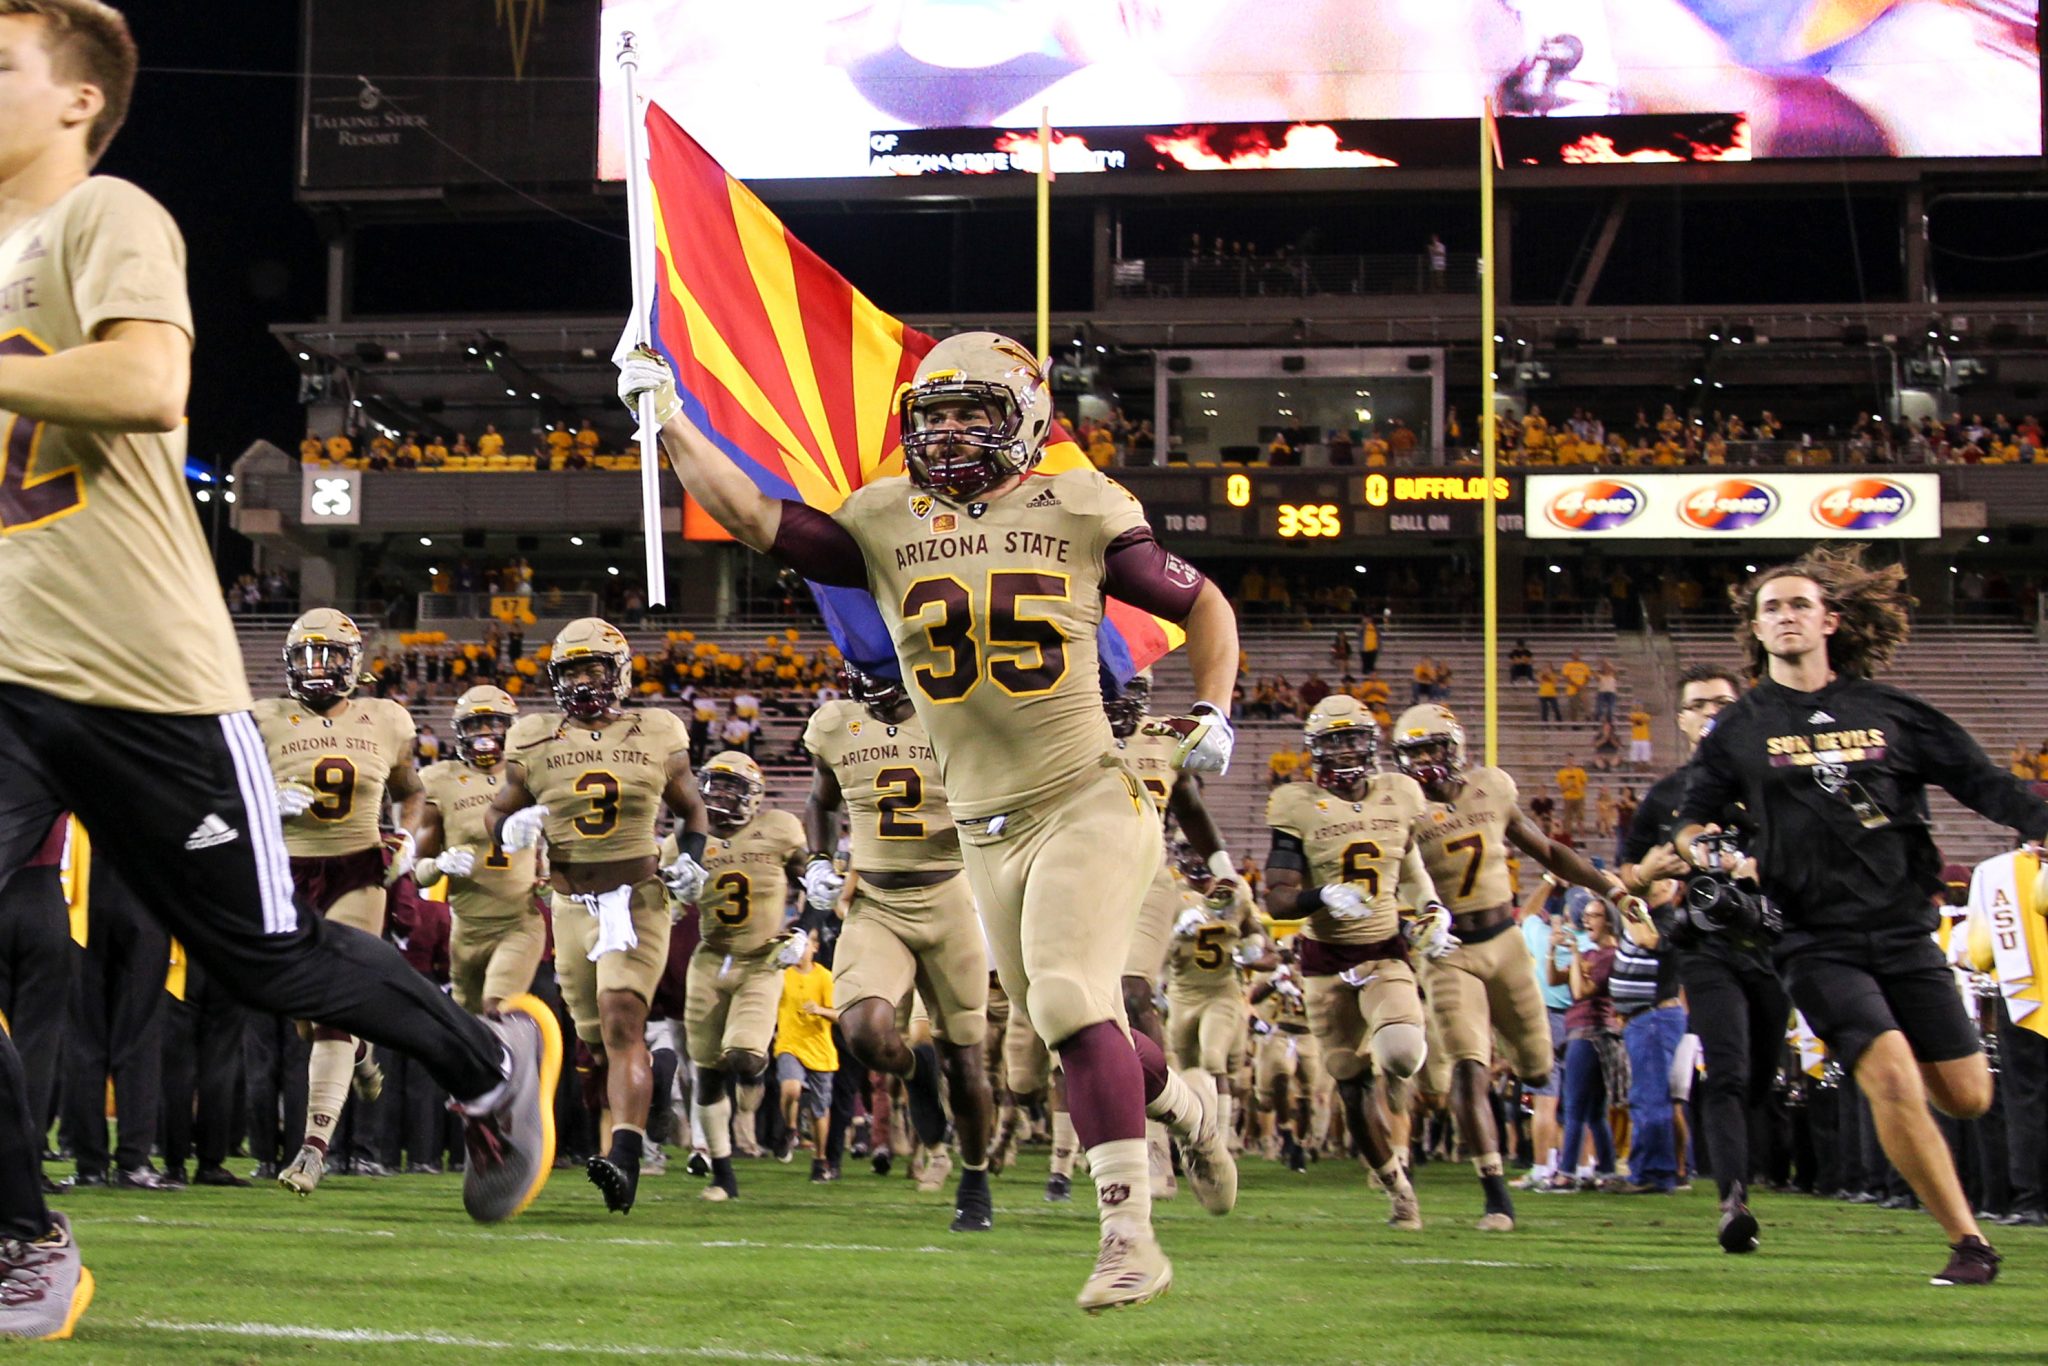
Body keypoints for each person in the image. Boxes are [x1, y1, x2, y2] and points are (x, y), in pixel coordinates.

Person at [0, 6, 556, 1340]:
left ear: (78, 100)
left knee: (266, 962)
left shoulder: (104, 213)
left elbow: (147, 380)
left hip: (149, 676)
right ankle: (23, 1239)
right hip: (8, 679)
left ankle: (491, 1061)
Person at [623, 331, 1239, 1311]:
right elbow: (748, 516)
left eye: (973, 411)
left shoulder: (1080, 504)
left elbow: (1200, 600)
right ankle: (1184, 1102)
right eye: (934, 413)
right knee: (1080, 1021)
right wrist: (669, 418)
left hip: (1084, 793)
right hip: (981, 832)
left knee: (1069, 1003)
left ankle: (1127, 1232)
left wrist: (1212, 708)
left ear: (1028, 418)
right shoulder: (881, 518)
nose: (948, 431)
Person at [1676, 546, 2048, 1286]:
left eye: (1799, 604)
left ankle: (1949, 1192)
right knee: (1890, 1077)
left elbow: (1980, 780)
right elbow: (1691, 821)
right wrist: (1707, 851)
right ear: (1756, 630)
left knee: (1969, 1096)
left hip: (1905, 930)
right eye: (1771, 607)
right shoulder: (1740, 729)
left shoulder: (1890, 711)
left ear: (1830, 619)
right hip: (1813, 939)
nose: (1786, 615)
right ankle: (1969, 1243)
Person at [490, 618, 709, 1216]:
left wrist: (690, 858)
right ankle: (653, 1081)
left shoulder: (658, 729)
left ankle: (628, 1159)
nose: (584, 681)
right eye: (572, 670)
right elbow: (497, 816)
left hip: (636, 899)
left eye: (594, 668)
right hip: (567, 904)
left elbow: (693, 811)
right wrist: (512, 829)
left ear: (620, 672)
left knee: (620, 1019)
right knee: (591, 1044)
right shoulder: (533, 736)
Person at [1391, 702, 1639, 1229]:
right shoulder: (1400, 809)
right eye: (1413, 753)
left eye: (1432, 749)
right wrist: (1410, 922)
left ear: (1454, 748)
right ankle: (1495, 1194)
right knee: (1468, 1065)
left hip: (1505, 942)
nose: (1425, 762)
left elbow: (1548, 850)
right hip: (1449, 951)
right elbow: (1383, 884)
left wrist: (1610, 886)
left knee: (1538, 1066)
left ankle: (1524, 1103)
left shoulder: (1492, 787)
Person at [802, 663, 996, 1231]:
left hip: (949, 897)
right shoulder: (836, 723)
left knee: (965, 1059)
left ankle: (976, 1177)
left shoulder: (955, 717)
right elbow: (821, 800)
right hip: (877, 903)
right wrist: (819, 858)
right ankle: (913, 1072)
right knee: (863, 1031)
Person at [1260, 695, 1453, 1231]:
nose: (1344, 751)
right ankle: (1397, 1187)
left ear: (1370, 744)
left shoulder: (1399, 793)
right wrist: (1320, 898)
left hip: (1383, 950)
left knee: (1401, 1054)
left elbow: (1409, 864)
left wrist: (1432, 906)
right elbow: (1276, 898)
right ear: (1314, 751)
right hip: (1324, 964)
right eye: (1332, 741)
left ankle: (1398, 1070)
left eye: (1352, 739)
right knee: (1348, 1083)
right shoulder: (1296, 804)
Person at [253, 609, 424, 1196]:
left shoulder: (386, 719)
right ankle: (363, 1053)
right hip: (286, 875)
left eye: (329, 655)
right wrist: (263, 799)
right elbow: (223, 792)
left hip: (357, 869)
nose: (318, 667)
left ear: (354, 664)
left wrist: (406, 835)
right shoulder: (266, 718)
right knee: (305, 1017)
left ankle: (313, 1147)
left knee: (329, 1016)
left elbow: (410, 791)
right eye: (308, 655)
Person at [1618, 663, 1786, 1252]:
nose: (1711, 712)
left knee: (1761, 1079)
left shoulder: (1772, 778)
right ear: (1683, 718)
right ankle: (1731, 1203)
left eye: (1722, 701)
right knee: (1729, 1072)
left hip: (1774, 945)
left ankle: (1743, 1175)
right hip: (1705, 945)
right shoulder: (1669, 796)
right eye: (1698, 704)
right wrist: (1647, 872)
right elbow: (1625, 872)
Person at [1109, 669, 1236, 1199]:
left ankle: (1158, 1144)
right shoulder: (1060, 730)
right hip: (1073, 880)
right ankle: (1189, 1111)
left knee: (1133, 995)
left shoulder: (1166, 735)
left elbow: (1190, 805)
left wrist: (1223, 866)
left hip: (1146, 879)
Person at [675, 749, 806, 1203]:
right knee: (707, 1073)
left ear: (753, 794)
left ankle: (758, 1077)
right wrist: (671, 900)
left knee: (745, 1057)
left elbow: (819, 879)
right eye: (715, 784)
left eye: (732, 787)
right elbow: (667, 893)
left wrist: (805, 931)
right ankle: (723, 1174)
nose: (720, 795)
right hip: (710, 959)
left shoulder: (780, 828)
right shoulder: (690, 834)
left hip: (761, 960)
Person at [415, 686, 546, 1015]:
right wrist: (440, 865)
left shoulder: (532, 777)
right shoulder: (439, 782)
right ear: (460, 733)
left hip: (518, 922)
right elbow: (417, 872)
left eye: (494, 724)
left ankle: (517, 1064)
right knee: (468, 1028)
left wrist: (548, 875)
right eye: (475, 726)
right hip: (465, 930)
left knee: (497, 1007)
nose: (485, 734)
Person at [773, 930, 837, 1173]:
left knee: (819, 1110)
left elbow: (839, 1013)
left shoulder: (824, 977)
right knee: (791, 1088)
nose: (800, 949)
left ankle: (820, 1160)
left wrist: (820, 1010)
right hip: (789, 1044)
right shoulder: (781, 975)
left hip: (819, 1050)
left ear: (816, 947)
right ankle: (790, 1128)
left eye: (805, 943)